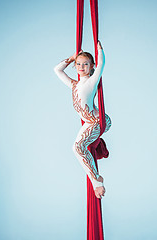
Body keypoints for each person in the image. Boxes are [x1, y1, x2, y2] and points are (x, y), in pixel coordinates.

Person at [54, 41, 111, 199]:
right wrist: (72, 58)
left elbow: (101, 65)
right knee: (77, 148)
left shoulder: (91, 82)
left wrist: (100, 50)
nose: (81, 67)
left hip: (97, 122)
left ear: (91, 66)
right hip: (89, 123)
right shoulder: (74, 85)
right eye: (78, 64)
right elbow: (57, 70)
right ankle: (96, 178)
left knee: (78, 147)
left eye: (86, 64)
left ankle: (97, 181)